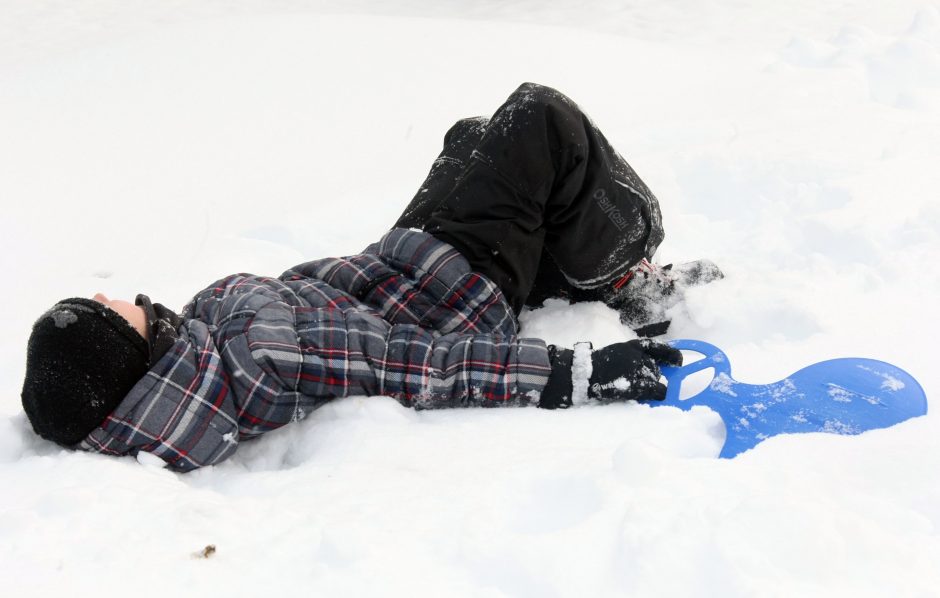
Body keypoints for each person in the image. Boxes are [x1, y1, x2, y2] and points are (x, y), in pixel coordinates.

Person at [20, 83, 721, 472]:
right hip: (453, 292)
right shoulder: (252, 352)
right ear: (120, 350)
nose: (113, 294)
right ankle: (629, 278)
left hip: (408, 264)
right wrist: (577, 373)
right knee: (541, 123)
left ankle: (569, 273)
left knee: (473, 137)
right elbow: (419, 365)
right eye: (104, 308)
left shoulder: (199, 354)